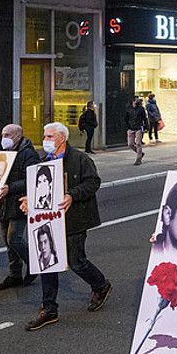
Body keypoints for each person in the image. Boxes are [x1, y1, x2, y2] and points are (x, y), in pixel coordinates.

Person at [23, 122, 113, 331]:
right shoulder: (43, 162)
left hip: (74, 220)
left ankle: (100, 285)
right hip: (49, 221)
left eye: (49, 136)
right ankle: (49, 308)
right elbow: (37, 189)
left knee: (77, 262)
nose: (45, 140)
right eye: (45, 136)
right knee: (47, 263)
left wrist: (72, 195)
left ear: (62, 138)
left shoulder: (80, 159)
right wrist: (28, 201)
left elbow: (93, 183)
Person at [0, 123, 42, 291]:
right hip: (5, 203)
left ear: (18, 136)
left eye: (7, 135)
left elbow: (33, 178)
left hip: (19, 202)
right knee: (9, 243)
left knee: (14, 239)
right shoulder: (3, 153)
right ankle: (15, 274)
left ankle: (34, 264)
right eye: (2, 134)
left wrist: (11, 188)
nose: (3, 138)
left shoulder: (28, 154)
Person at [125, 97, 148, 165]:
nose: (137, 101)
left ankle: (139, 159)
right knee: (130, 144)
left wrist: (146, 126)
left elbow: (144, 118)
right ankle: (140, 153)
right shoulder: (128, 109)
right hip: (131, 128)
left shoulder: (141, 109)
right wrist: (128, 126)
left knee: (138, 143)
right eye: (136, 100)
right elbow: (126, 118)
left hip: (138, 128)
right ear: (133, 101)